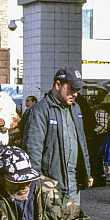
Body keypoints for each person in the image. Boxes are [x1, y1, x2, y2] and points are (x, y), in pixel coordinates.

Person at [23, 67, 93, 202]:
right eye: (72, 89)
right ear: (57, 84)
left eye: (77, 90)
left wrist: (87, 172)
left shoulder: (76, 108)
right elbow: (33, 150)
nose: (75, 94)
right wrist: (35, 184)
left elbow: (81, 141)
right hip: (50, 186)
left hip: (73, 184)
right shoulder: (40, 111)